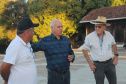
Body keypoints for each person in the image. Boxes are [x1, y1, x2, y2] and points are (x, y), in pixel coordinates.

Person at [31, 19, 75, 84]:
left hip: (66, 74)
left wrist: (72, 57)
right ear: (52, 28)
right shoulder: (46, 41)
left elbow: (71, 52)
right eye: (58, 27)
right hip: (54, 75)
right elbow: (33, 48)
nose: (61, 29)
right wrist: (22, 44)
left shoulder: (65, 39)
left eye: (61, 26)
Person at [0, 17, 39, 84]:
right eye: (33, 31)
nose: (33, 33)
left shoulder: (27, 44)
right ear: (28, 32)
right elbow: (4, 68)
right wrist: (7, 80)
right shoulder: (16, 46)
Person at [82, 16, 118, 84]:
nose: (97, 28)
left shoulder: (109, 35)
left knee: (113, 82)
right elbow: (84, 49)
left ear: (104, 27)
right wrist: (90, 64)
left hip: (110, 63)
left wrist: (116, 56)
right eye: (96, 26)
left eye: (99, 27)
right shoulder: (90, 37)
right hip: (98, 65)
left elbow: (114, 44)